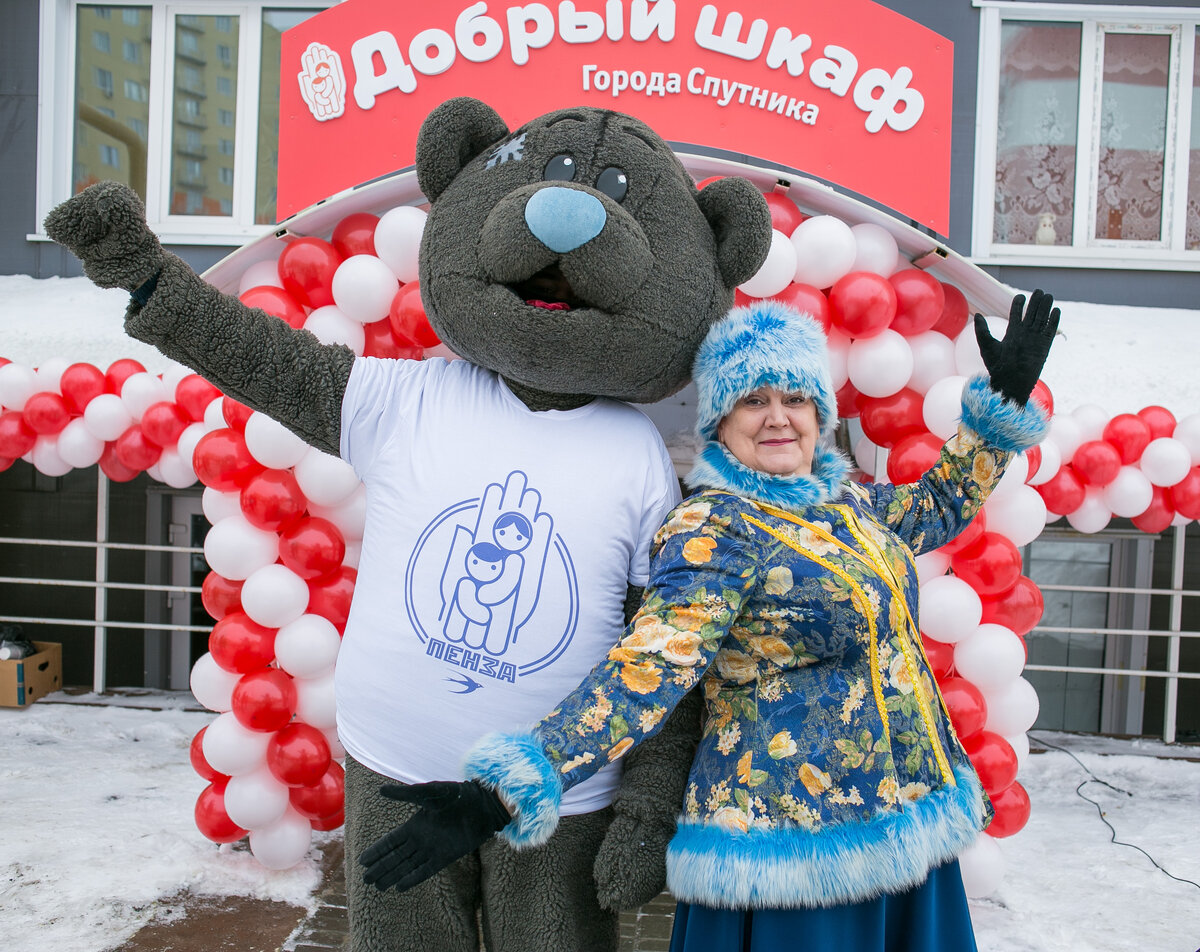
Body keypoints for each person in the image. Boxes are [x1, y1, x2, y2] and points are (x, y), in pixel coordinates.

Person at [356, 291, 1059, 951]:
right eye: (754, 399)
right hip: (797, 858)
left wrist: (996, 415)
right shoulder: (714, 530)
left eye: (796, 398)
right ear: (720, 422)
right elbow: (649, 669)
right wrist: (510, 785)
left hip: (907, 824)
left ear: (821, 415)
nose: (779, 416)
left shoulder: (849, 505)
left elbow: (938, 507)